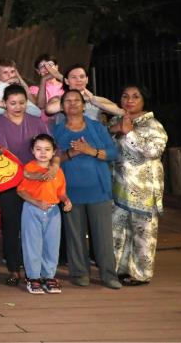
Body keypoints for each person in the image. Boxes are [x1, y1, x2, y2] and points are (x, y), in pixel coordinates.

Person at [52, 89, 121, 289]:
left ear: (84, 105)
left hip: (98, 189)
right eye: (68, 101)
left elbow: (112, 153)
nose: (73, 103)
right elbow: (51, 159)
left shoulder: (97, 127)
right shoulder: (56, 131)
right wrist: (71, 153)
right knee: (75, 235)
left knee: (103, 237)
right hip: (70, 192)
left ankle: (109, 275)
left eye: (77, 100)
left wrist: (91, 151)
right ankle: (79, 273)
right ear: (62, 107)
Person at [0, 85, 51, 287]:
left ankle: (35, 270)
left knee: (35, 226)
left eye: (22, 103)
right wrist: (26, 173)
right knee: (11, 225)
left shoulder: (36, 122)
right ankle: (14, 269)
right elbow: (4, 155)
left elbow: (51, 147)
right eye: (13, 103)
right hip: (9, 182)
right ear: (4, 103)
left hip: (35, 182)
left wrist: (54, 165)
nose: (18, 107)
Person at [109, 85, 168, 286]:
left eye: (135, 97)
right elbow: (105, 147)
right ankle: (118, 270)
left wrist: (130, 133)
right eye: (125, 96)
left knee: (143, 233)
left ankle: (141, 274)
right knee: (117, 231)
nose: (129, 100)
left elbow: (154, 151)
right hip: (118, 186)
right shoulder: (115, 121)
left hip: (144, 189)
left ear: (144, 100)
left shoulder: (153, 125)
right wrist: (113, 131)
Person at [18, 134, 72, 295]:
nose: (43, 153)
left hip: (53, 211)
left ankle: (49, 276)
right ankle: (33, 277)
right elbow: (21, 191)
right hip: (32, 209)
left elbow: (61, 192)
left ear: (53, 152)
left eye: (47, 149)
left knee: (52, 244)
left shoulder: (58, 171)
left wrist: (66, 200)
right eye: (39, 149)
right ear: (32, 150)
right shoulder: (28, 169)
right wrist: (36, 202)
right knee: (32, 243)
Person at [43, 65, 124, 121]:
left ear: (87, 80)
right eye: (74, 77)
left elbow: (121, 112)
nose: (79, 80)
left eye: (82, 77)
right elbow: (50, 109)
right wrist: (81, 97)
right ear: (66, 81)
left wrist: (95, 102)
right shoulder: (58, 99)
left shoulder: (95, 99)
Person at [29, 54, 65, 120]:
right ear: (38, 71)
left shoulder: (66, 86)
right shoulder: (34, 89)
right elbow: (41, 106)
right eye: (42, 66)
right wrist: (43, 80)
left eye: (50, 65)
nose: (46, 68)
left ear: (56, 67)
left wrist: (58, 75)